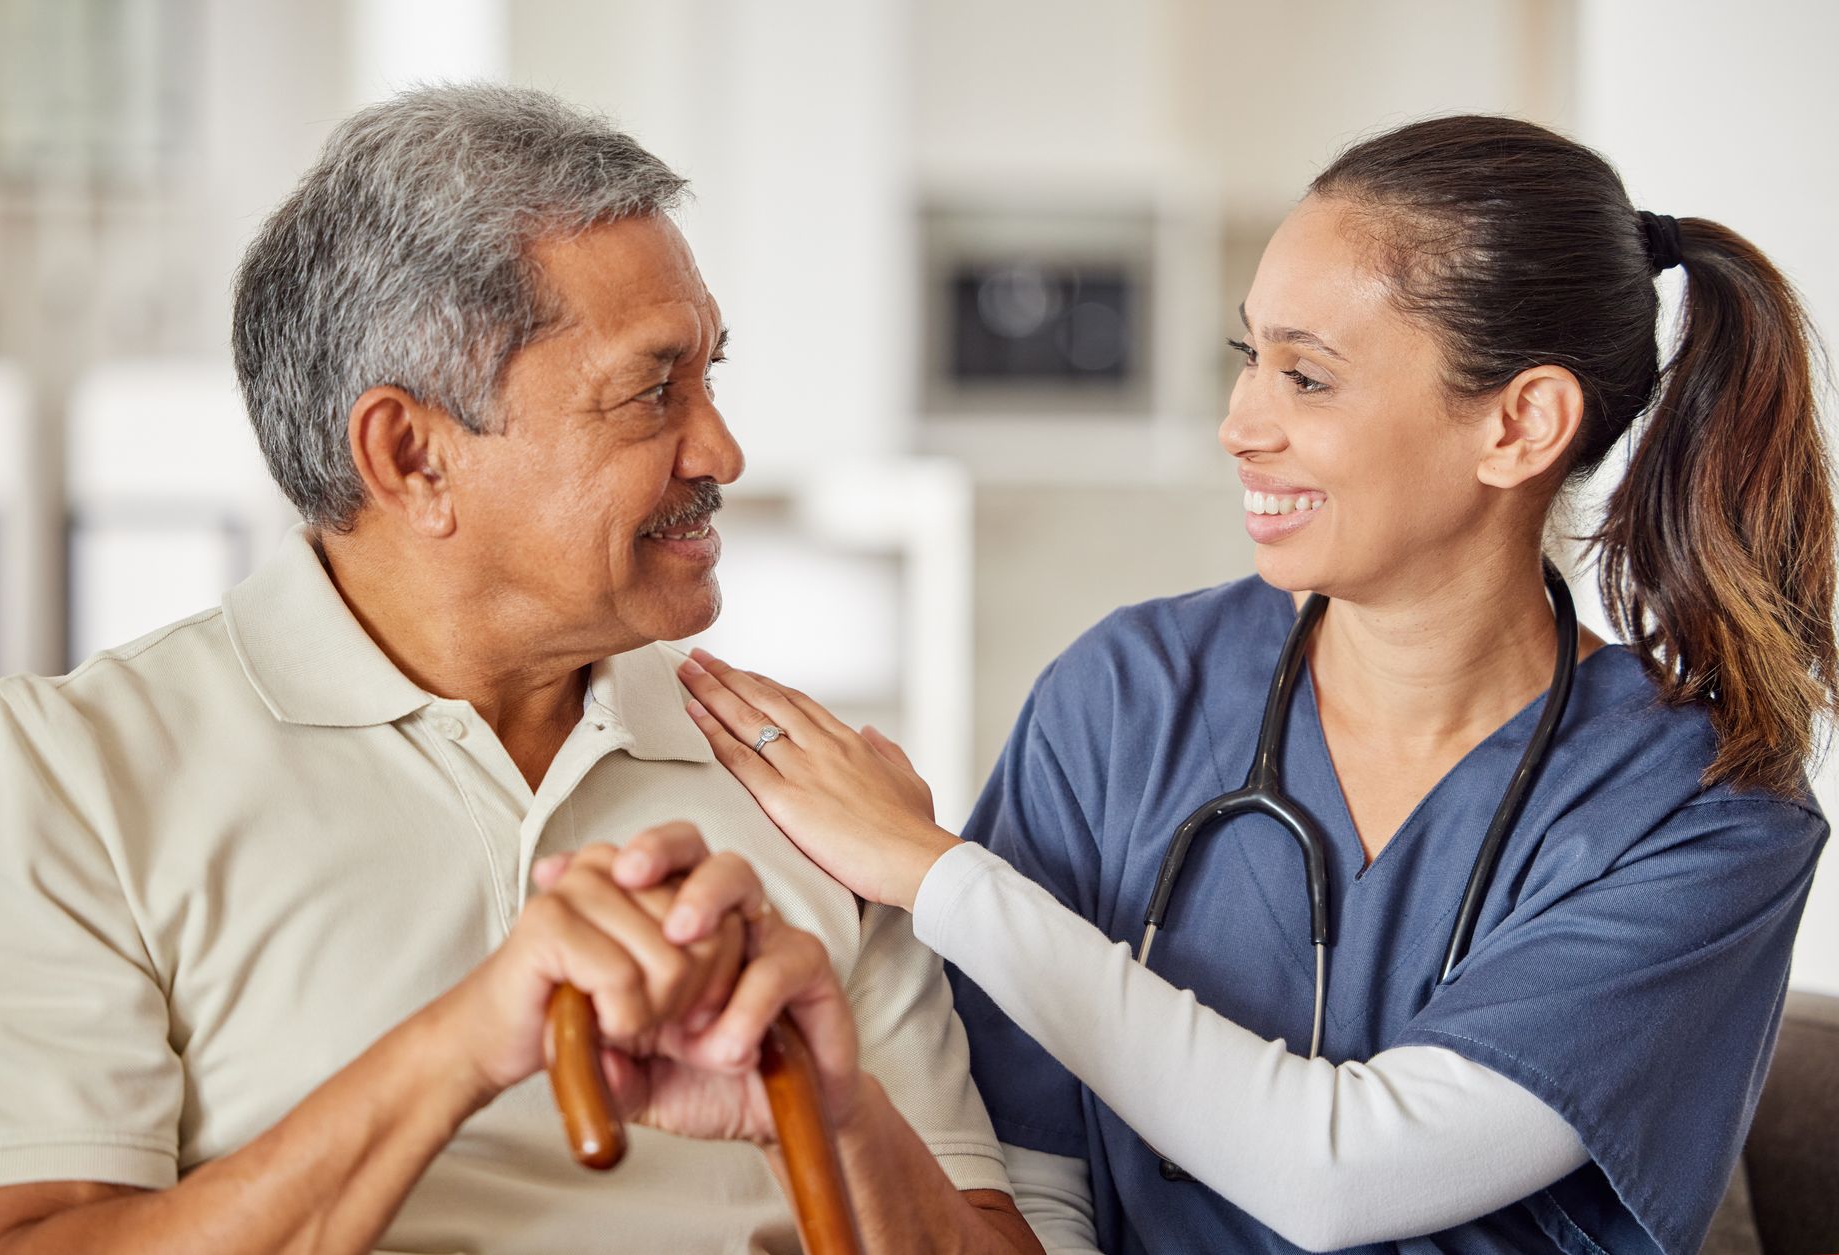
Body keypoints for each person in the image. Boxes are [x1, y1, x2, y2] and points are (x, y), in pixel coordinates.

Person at [678, 115, 1835, 1254]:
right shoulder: (1126, 700)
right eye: (1250, 358)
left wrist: (936, 873)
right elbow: (1030, 1183)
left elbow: (1340, 1179)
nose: (1240, 424)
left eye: (1308, 377)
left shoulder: (1705, 813)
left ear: (1520, 423)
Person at [0, 85, 1042, 1255]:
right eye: (654, 390)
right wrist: (461, 1046)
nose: (721, 450)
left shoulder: (813, 789)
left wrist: (830, 1106)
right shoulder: (72, 778)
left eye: (711, 377)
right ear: (411, 455)